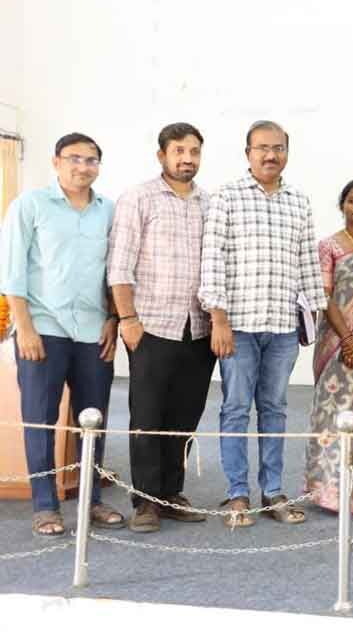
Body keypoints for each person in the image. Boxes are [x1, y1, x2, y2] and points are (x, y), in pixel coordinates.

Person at [199, 120, 326, 527]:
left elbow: (308, 261)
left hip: (283, 327)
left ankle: (273, 491)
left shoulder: (299, 201)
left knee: (275, 408)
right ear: (248, 153)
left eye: (278, 148)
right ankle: (237, 495)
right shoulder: (227, 197)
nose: (270, 155)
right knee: (236, 408)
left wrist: (315, 316)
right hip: (238, 325)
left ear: (287, 151)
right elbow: (212, 259)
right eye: (262, 148)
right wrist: (217, 317)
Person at [2, 132, 123, 536]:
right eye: (74, 158)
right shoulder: (30, 205)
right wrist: (25, 328)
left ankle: (92, 501)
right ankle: (45, 506)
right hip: (44, 328)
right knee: (40, 417)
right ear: (56, 162)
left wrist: (113, 318)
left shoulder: (108, 211)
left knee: (93, 419)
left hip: (93, 330)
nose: (83, 167)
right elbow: (12, 271)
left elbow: (115, 271)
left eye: (91, 160)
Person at [108, 123, 217, 533]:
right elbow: (119, 265)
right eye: (178, 151)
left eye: (194, 151)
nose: (187, 158)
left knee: (185, 417)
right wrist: (128, 319)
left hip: (199, 329)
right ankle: (146, 501)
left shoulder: (211, 203)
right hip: (151, 326)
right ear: (161, 156)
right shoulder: (139, 198)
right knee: (148, 416)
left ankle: (171, 493)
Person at [304, 179, 353, 514]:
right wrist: (349, 338)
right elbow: (324, 295)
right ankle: (328, 490)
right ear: (342, 205)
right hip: (336, 342)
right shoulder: (328, 246)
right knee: (332, 414)